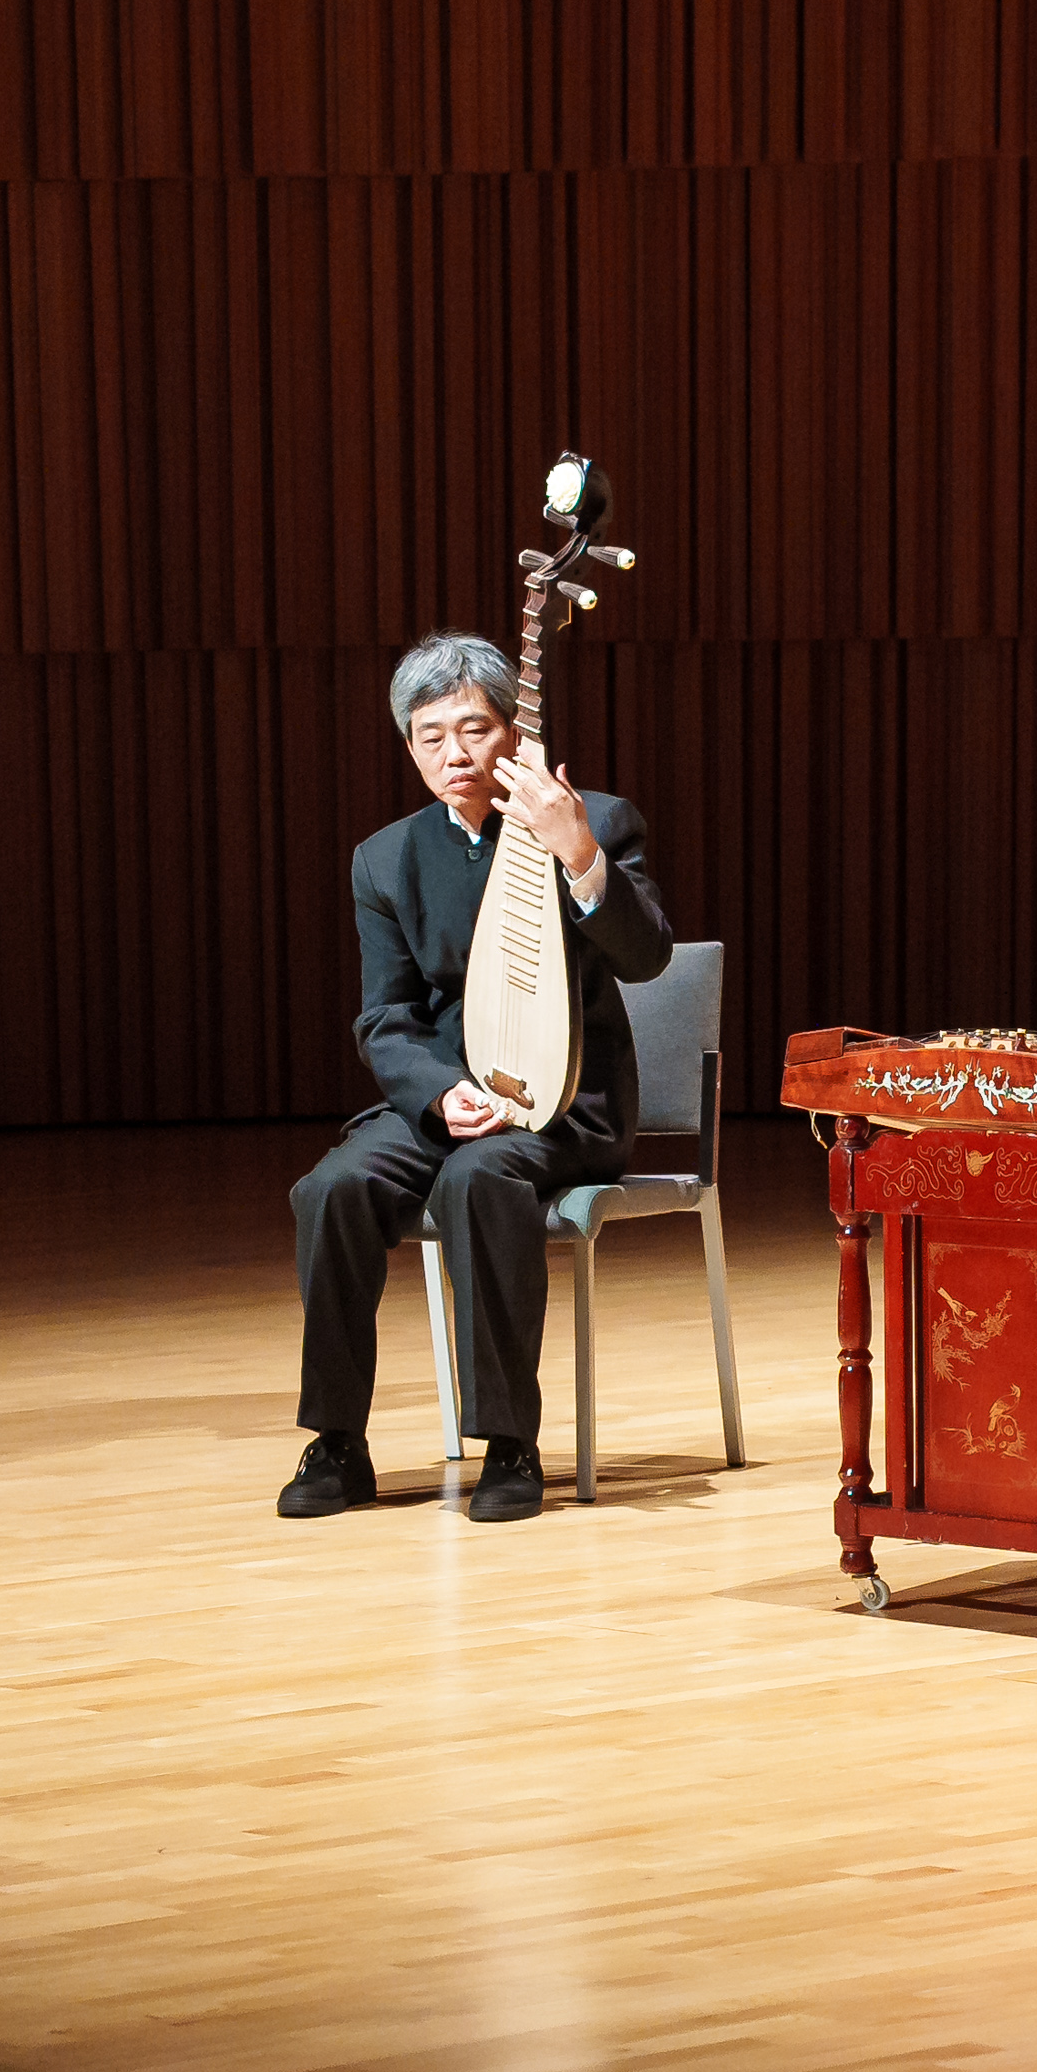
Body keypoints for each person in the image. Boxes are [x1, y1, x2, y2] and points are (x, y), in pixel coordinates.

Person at [281, 635, 673, 1523]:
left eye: (475, 729)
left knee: (479, 1180)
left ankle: (510, 1443)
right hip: (443, 1100)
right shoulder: (386, 859)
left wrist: (578, 854)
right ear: (408, 746)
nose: (454, 755)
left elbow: (648, 956)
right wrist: (437, 1091)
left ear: (515, 734)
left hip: (561, 1104)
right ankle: (337, 1443)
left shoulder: (597, 818)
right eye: (429, 737)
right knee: (332, 1189)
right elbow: (385, 1017)